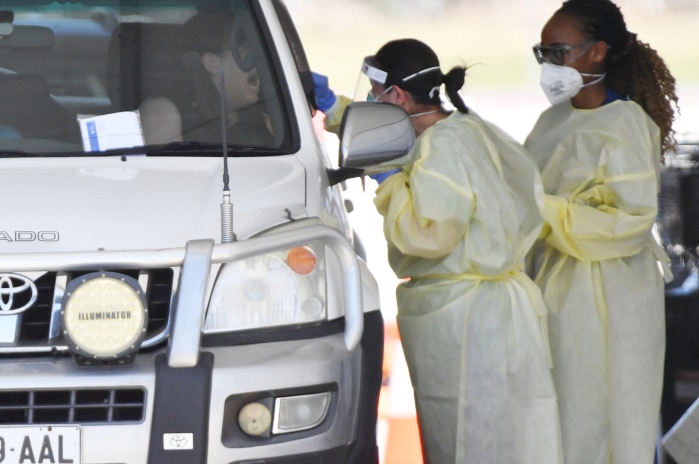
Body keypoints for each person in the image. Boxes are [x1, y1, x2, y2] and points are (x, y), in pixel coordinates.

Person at [319, 38, 564, 463]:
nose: (371, 102)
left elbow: (427, 232)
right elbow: (384, 135)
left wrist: (391, 182)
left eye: (376, 95)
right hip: (487, 315)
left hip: (470, 323)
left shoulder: (443, 147)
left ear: (395, 96)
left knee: (472, 444)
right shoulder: (461, 128)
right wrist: (332, 107)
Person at [524, 1, 678, 463]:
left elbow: (627, 224)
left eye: (559, 51)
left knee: (604, 419)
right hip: (556, 287)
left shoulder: (626, 125)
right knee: (565, 421)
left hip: (608, 297)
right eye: (543, 53)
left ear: (597, 53)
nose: (551, 64)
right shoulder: (551, 122)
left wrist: (543, 209)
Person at [139, 7, 271, 146]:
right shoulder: (164, 112)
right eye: (243, 47)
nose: (255, 60)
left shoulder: (271, 113)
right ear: (212, 63)